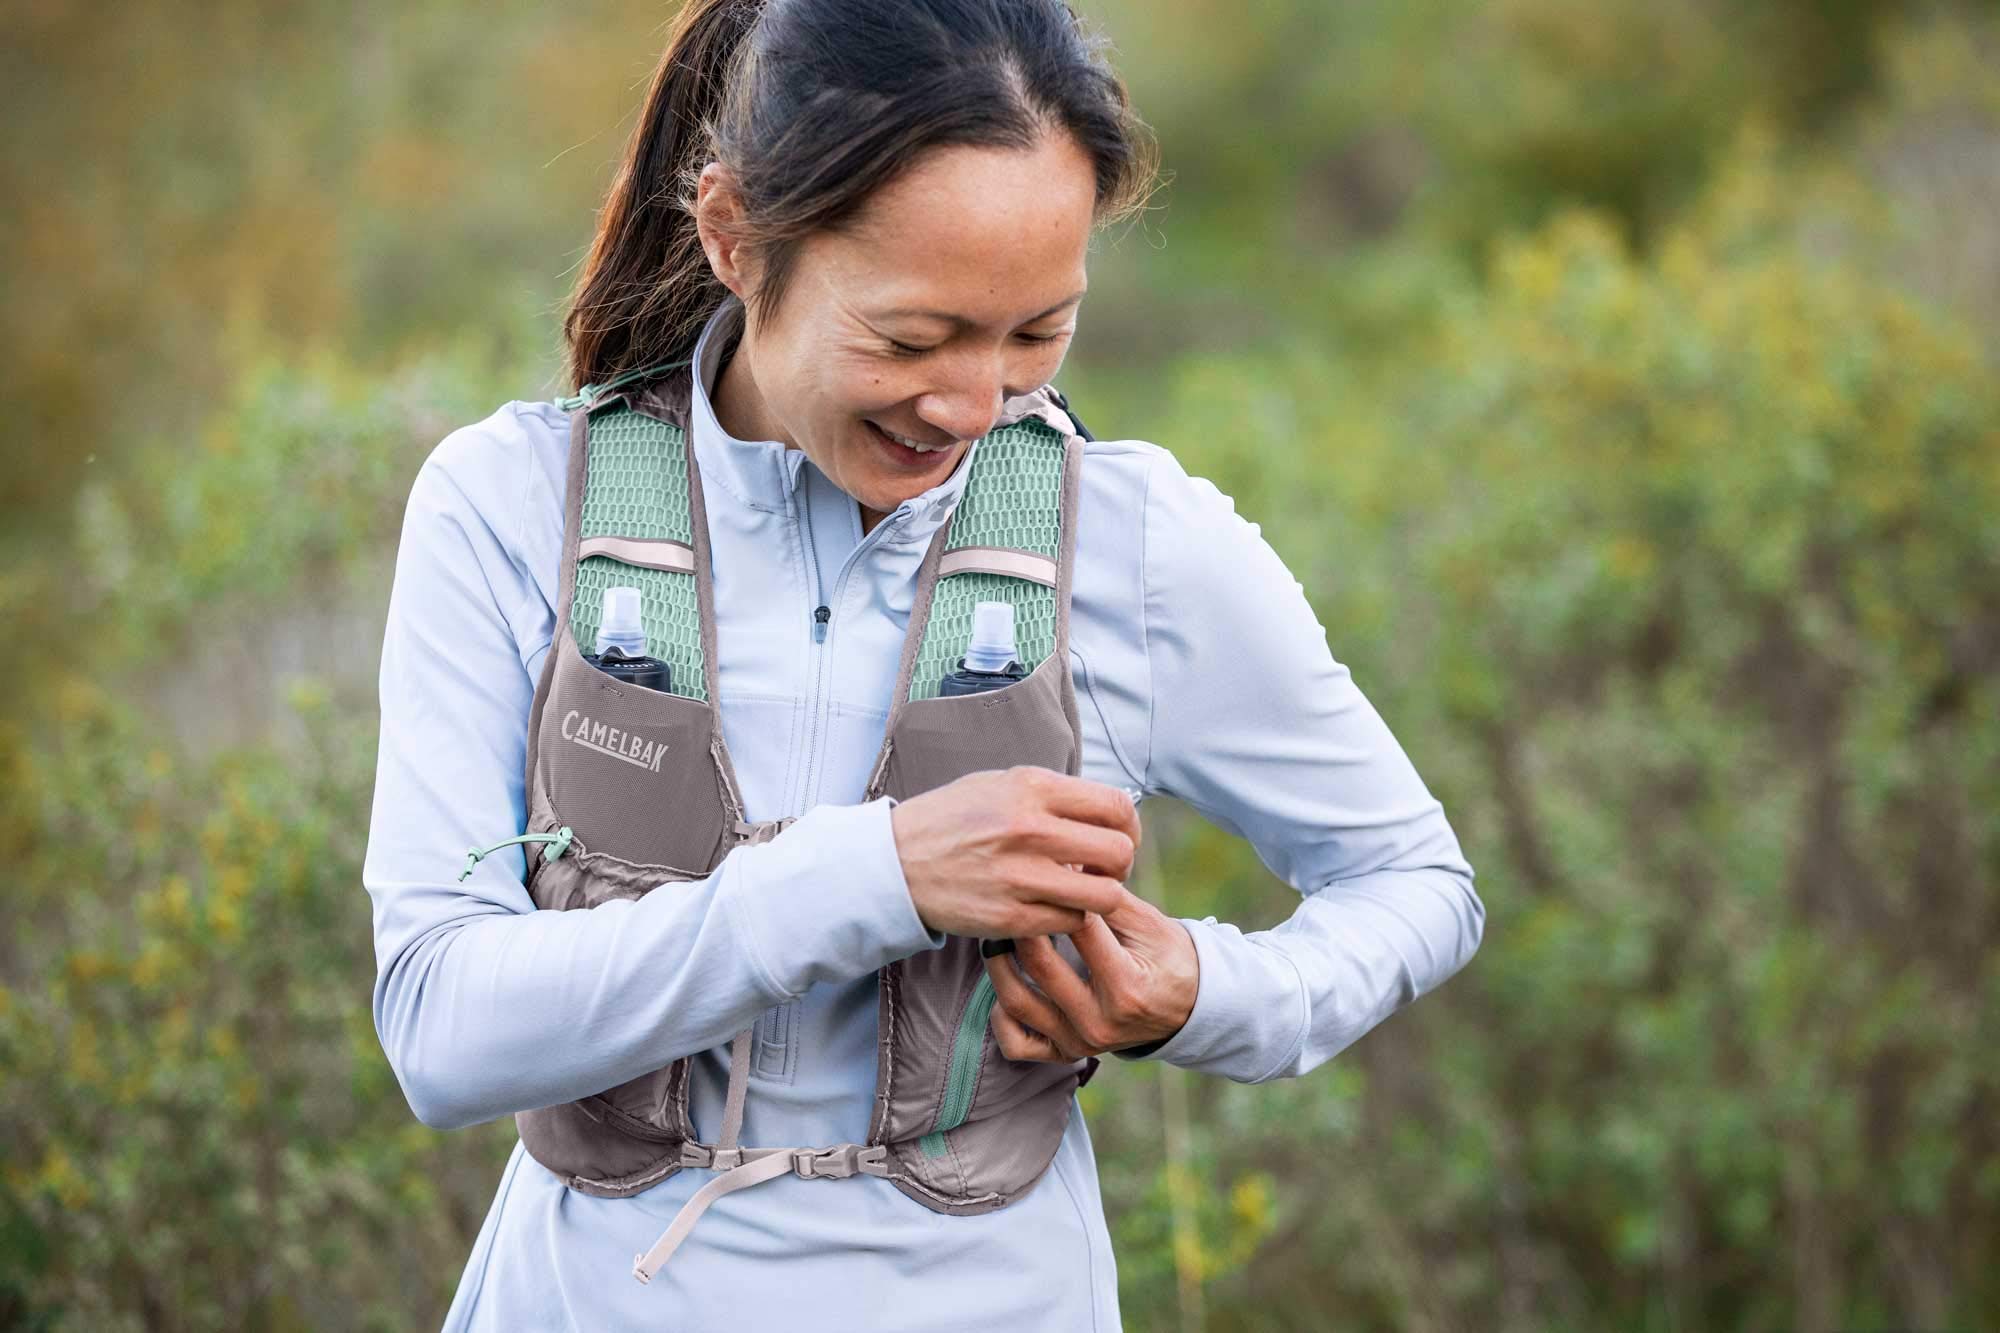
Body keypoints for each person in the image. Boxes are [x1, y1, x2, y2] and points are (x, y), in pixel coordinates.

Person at [360, 0, 1485, 1327]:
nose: (971, 405)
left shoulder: (1132, 543)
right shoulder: (508, 502)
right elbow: (440, 1029)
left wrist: (1205, 989)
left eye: (1035, 334)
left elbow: (1417, 883)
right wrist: (880, 872)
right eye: (911, 339)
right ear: (732, 235)